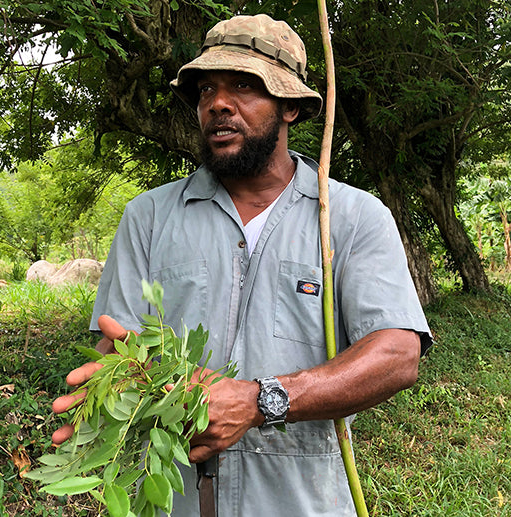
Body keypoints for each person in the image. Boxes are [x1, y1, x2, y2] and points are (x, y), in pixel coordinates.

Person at [51, 13, 432, 516]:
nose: (218, 104)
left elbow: (397, 354)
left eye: (244, 86)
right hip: (173, 499)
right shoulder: (148, 217)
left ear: (290, 106)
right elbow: (115, 341)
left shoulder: (351, 216)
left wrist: (259, 401)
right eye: (206, 89)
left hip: (301, 501)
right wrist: (127, 383)